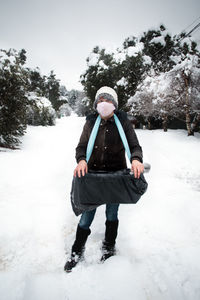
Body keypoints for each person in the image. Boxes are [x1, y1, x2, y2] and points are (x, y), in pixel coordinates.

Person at [64, 86, 144, 272]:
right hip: (92, 176)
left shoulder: (123, 122)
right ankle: (77, 251)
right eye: (100, 101)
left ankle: (109, 247)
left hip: (116, 176)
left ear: (114, 104)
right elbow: (81, 147)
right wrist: (82, 160)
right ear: (96, 104)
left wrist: (136, 159)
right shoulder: (91, 123)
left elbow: (134, 145)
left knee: (112, 215)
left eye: (108, 100)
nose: (104, 104)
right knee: (86, 216)